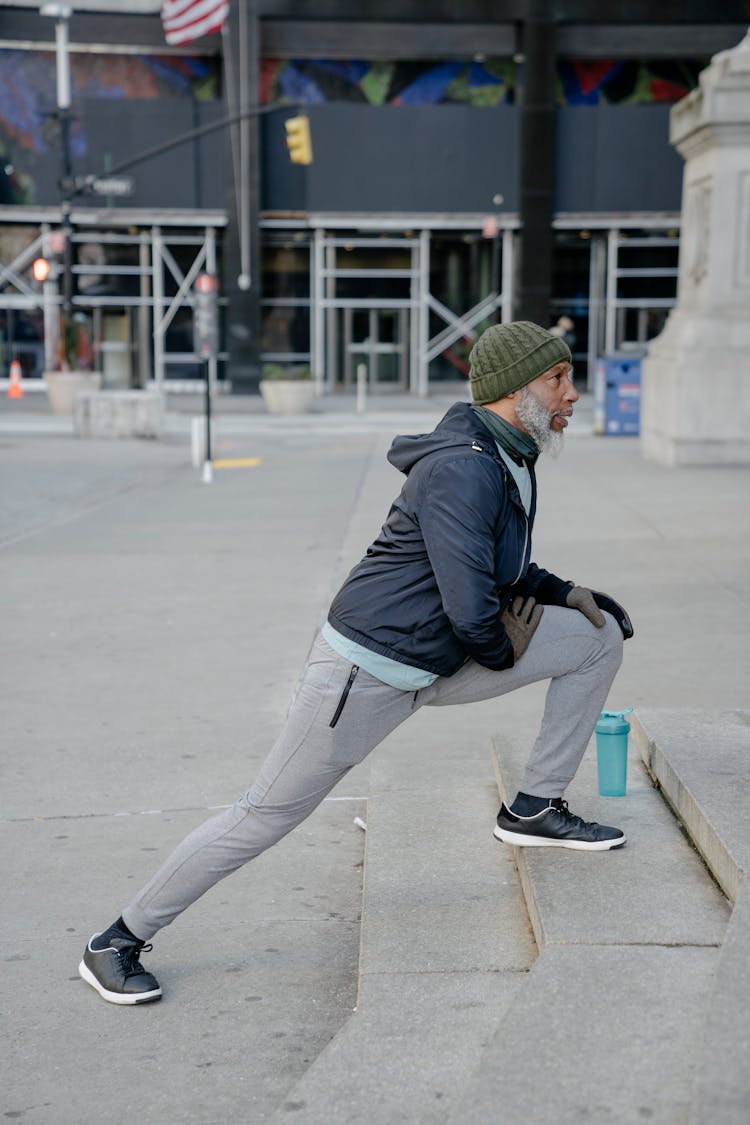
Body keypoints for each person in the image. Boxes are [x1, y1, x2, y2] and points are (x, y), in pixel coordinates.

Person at [78, 320, 633, 1006]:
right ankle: (117, 938)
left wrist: (563, 594)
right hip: (363, 676)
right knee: (265, 812)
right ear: (516, 389)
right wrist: (506, 646)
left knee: (595, 634)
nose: (572, 393)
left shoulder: (511, 452)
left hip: (438, 657)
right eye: (558, 379)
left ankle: (531, 807)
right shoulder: (464, 465)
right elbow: (470, 608)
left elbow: (502, 565)